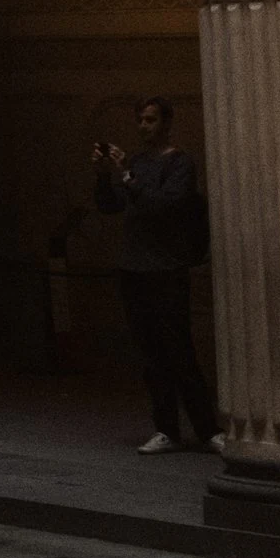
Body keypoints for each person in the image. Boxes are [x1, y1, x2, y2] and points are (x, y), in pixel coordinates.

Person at [90, 99, 217, 454]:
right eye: (140, 120)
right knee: (151, 355)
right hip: (134, 269)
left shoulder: (179, 163)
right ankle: (167, 430)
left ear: (167, 123)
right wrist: (103, 175)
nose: (144, 126)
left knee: (180, 350)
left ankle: (208, 429)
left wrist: (127, 177)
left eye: (150, 120)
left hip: (167, 269)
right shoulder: (137, 163)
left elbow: (165, 206)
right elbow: (109, 206)